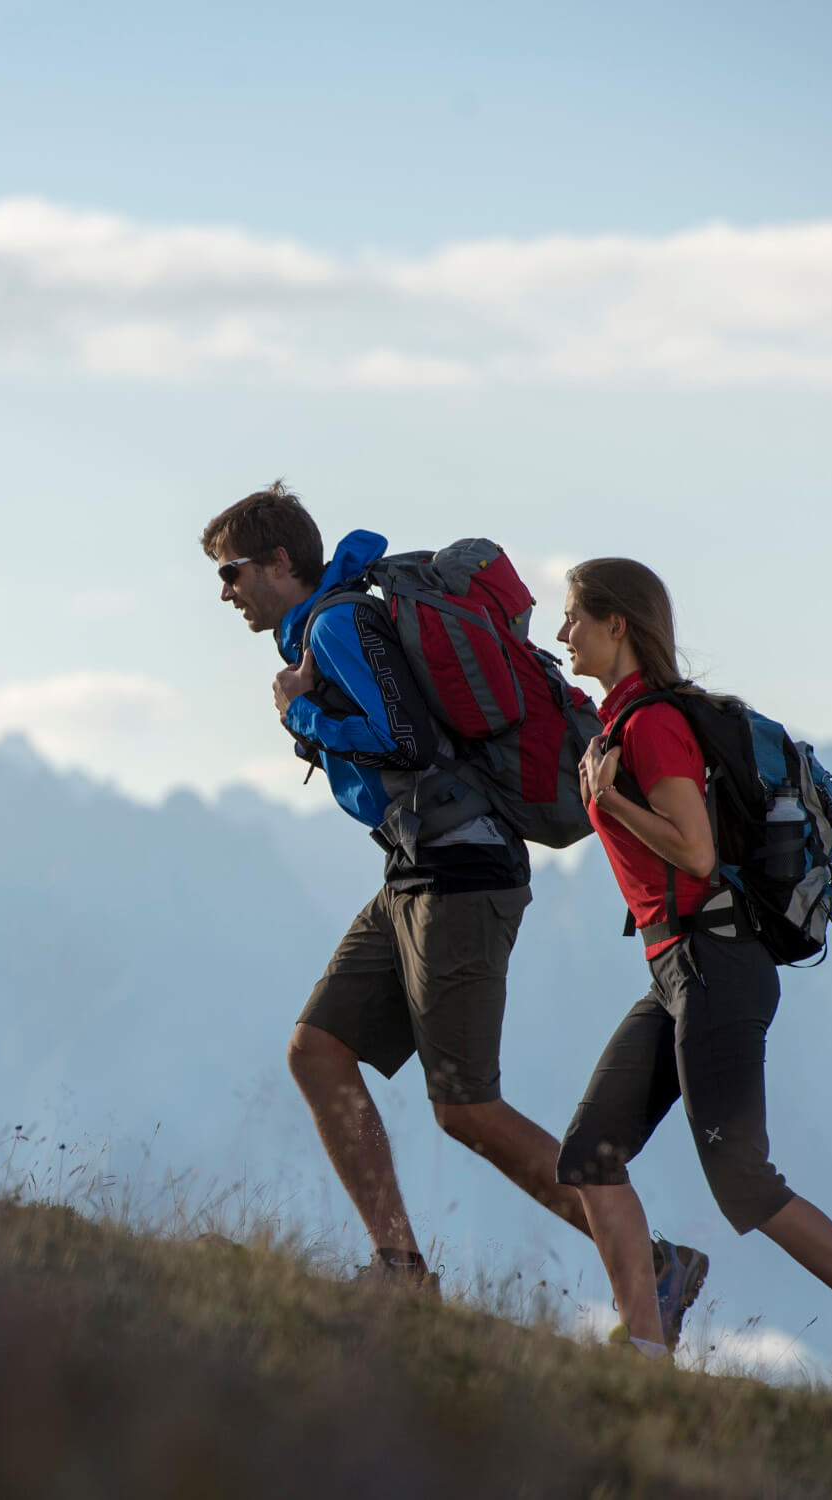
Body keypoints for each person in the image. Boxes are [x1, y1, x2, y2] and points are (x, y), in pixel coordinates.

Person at [201, 483, 706, 1344]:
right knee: (317, 1050)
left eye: (232, 571)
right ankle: (400, 1271)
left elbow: (406, 739)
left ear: (281, 562)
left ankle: (652, 1265)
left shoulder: (335, 627)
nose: (226, 592)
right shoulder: (326, 627)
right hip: (414, 870)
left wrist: (303, 713)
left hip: (461, 873)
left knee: (465, 1106)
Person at [552, 555, 832, 1399]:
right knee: (590, 1156)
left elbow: (696, 853)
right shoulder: (619, 722)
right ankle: (644, 1355)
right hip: (677, 969)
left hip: (715, 965)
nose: (563, 633)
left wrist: (615, 799)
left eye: (573, 617)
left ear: (617, 623)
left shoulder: (651, 727)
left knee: (742, 1179)